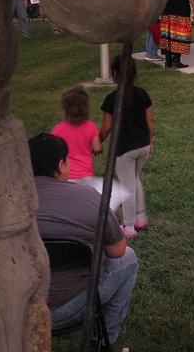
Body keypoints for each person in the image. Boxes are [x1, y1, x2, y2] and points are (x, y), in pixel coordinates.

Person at [30, 133, 139, 343]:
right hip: (65, 307)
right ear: (62, 165)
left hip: (15, 307)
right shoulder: (88, 197)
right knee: (129, 259)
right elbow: (117, 251)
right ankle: (102, 341)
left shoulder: (8, 203)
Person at [100, 57, 155, 237]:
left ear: (115, 75)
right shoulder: (143, 94)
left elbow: (107, 127)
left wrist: (98, 141)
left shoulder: (111, 100)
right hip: (143, 146)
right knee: (135, 177)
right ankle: (140, 217)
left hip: (124, 150)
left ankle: (129, 227)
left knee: (127, 187)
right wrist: (150, 140)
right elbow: (150, 121)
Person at [52, 85, 101, 180]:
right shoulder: (91, 127)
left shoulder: (58, 129)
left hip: (65, 175)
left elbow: (51, 150)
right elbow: (97, 148)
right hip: (87, 175)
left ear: (65, 109)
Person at [161, 0, 194, 68]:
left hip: (167, 8)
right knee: (179, 34)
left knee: (167, 35)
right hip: (180, 8)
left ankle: (168, 60)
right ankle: (176, 60)